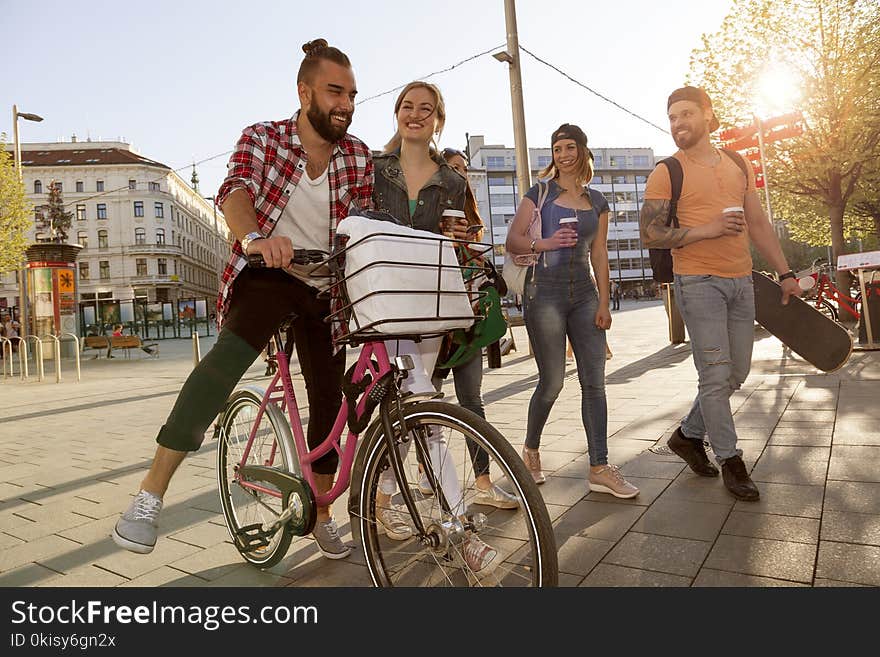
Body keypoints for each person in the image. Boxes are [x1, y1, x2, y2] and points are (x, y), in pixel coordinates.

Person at [113, 38, 373, 559]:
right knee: (224, 363)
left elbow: (364, 223)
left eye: (351, 94)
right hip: (268, 271)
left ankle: (321, 512)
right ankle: (149, 494)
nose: (344, 103)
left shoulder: (359, 156)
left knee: (331, 395)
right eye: (333, 91)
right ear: (304, 92)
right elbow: (234, 190)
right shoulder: (265, 138)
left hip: (327, 285)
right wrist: (255, 238)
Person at [641, 86, 801, 501]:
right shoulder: (667, 171)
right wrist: (704, 231)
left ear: (708, 116)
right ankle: (731, 461)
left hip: (741, 280)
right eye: (672, 116)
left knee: (736, 374)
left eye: (687, 114)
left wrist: (786, 272)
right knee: (714, 376)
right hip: (697, 283)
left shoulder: (737, 163)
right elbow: (651, 232)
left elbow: (759, 224)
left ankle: (688, 435)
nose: (678, 123)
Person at [369, 81, 501, 573]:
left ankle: (380, 498)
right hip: (381, 301)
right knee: (422, 402)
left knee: (408, 411)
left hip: (431, 301)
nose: (416, 114)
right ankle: (461, 527)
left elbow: (461, 239)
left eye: (427, 109)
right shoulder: (374, 169)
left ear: (438, 119)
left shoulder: (453, 181)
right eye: (408, 106)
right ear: (397, 114)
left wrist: (462, 237)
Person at [506, 123, 639, 499]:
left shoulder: (597, 201)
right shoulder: (540, 193)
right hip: (543, 293)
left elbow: (599, 253)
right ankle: (530, 450)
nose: (563, 154)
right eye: (557, 148)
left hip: (584, 294)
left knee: (594, 382)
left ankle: (599, 467)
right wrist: (545, 242)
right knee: (552, 381)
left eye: (570, 147)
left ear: (582, 151)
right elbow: (513, 239)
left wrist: (603, 302)